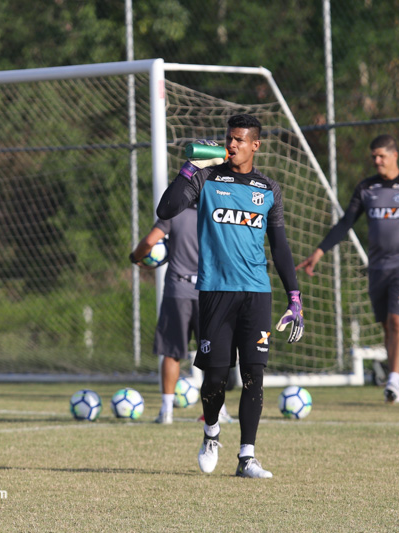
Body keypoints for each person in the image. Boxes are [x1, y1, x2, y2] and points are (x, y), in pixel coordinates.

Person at [156, 115, 304, 479]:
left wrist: (294, 297)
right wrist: (190, 167)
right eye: (229, 139)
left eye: (240, 140)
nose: (232, 145)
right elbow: (166, 209)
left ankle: (247, 457)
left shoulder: (268, 188)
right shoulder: (207, 177)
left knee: (255, 373)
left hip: (257, 293)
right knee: (216, 376)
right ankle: (211, 435)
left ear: (255, 145)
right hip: (215, 292)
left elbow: (280, 246)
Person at [296, 134, 399, 404]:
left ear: (394, 155)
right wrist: (319, 251)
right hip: (377, 267)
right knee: (387, 324)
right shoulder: (366, 188)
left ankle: (395, 379)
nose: (377, 161)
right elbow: (346, 222)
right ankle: (397, 377)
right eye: (374, 156)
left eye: (382, 156)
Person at [129, 208, 234, 425]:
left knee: (171, 352)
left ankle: (167, 411)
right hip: (210, 291)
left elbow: (150, 242)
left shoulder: (173, 214)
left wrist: (136, 257)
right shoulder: (218, 211)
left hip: (178, 291)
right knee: (213, 354)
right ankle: (218, 410)